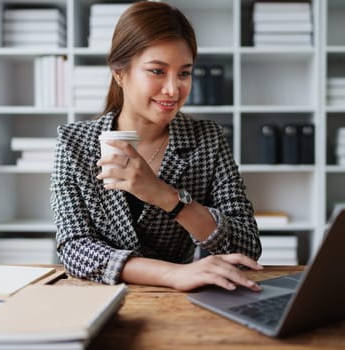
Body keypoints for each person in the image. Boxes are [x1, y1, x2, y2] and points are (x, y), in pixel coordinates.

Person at [50, 1, 262, 292]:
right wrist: (173, 275)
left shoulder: (207, 139)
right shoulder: (74, 144)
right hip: (97, 301)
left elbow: (247, 246)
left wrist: (168, 197)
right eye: (157, 71)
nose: (173, 90)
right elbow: (74, 249)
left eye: (184, 73)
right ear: (119, 72)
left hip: (182, 307)